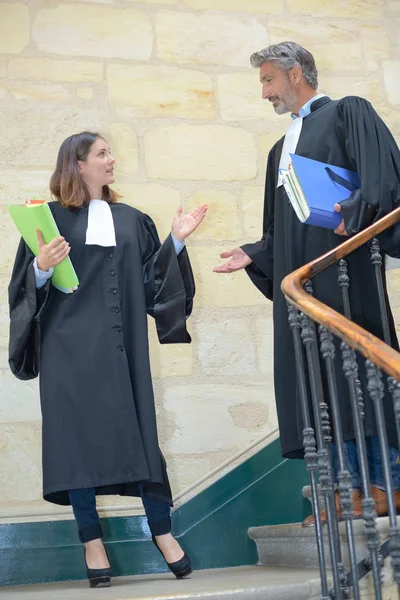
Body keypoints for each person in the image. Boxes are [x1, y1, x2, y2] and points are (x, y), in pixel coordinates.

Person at [8, 131, 207, 587]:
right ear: (77, 164)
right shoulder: (46, 219)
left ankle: (162, 531)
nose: (112, 159)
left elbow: (152, 285)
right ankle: (91, 542)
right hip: (67, 350)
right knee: (76, 444)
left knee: (139, 436)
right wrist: (40, 267)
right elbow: (23, 292)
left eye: (109, 153)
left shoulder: (133, 219)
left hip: (121, 347)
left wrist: (174, 243)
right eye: (102, 154)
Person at [214, 42, 400, 526]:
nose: (265, 93)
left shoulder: (348, 113)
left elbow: (382, 182)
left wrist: (355, 213)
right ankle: (343, 490)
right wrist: (253, 254)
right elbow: (281, 230)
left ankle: (386, 483)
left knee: (359, 370)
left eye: (268, 81)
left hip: (346, 274)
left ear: (296, 74)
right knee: (316, 380)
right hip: (302, 286)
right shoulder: (280, 149)